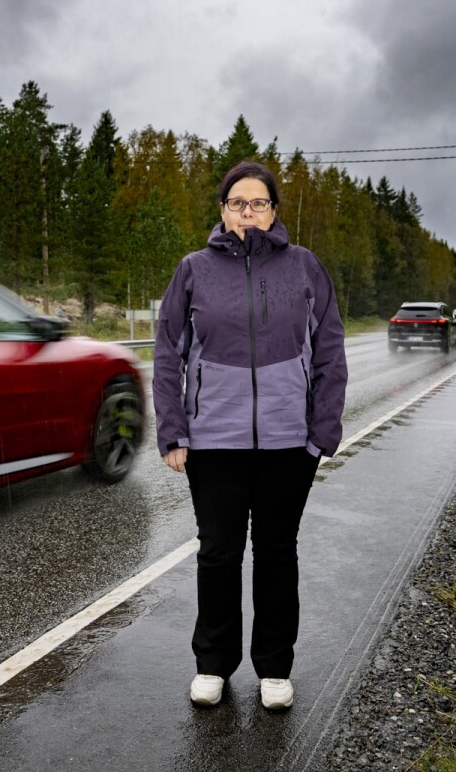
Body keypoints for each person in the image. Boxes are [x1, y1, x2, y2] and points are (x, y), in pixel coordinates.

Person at [153, 160, 348, 710]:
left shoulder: (305, 268)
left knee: (277, 553)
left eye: (258, 202)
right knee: (218, 552)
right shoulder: (193, 269)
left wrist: (322, 432)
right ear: (222, 211)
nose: (248, 212)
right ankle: (212, 665)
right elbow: (168, 354)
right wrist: (173, 431)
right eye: (237, 203)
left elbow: (331, 351)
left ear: (274, 210)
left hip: (290, 443)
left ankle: (274, 669)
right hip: (214, 441)